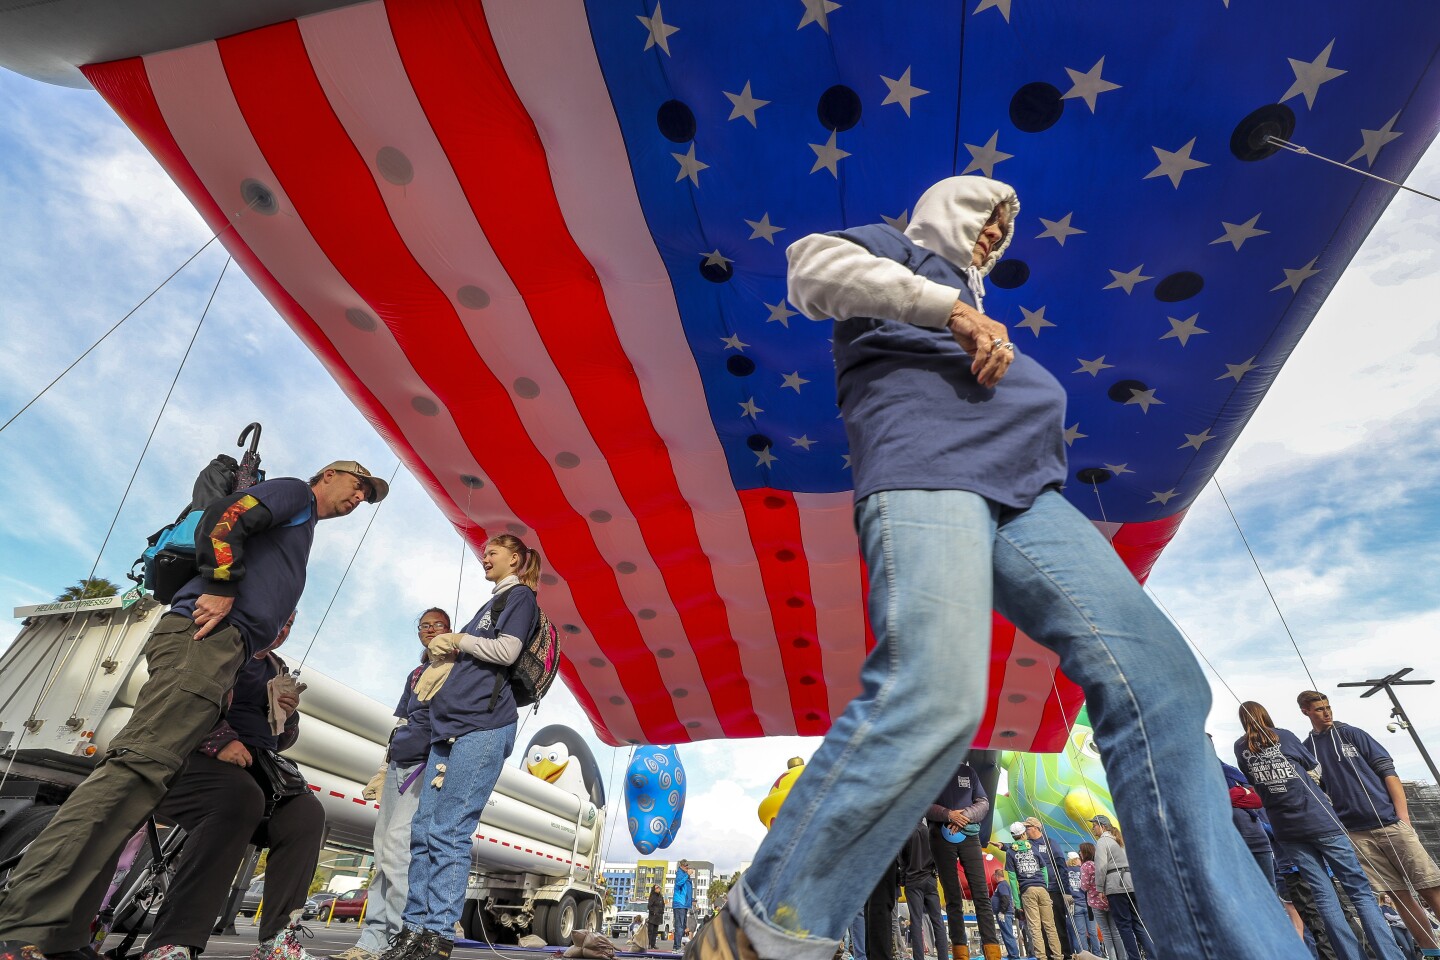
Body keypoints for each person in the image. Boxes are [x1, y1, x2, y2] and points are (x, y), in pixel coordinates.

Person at [685, 175, 1301, 960]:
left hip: (1028, 497)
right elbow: (810, 270)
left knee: (1164, 682)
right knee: (936, 695)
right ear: (945, 210)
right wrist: (953, 310)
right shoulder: (896, 255)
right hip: (927, 467)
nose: (987, 240)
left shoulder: (978, 308)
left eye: (998, 233)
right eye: (982, 220)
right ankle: (762, 930)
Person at [0, 461, 386, 960]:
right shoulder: (294, 494)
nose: (358, 500)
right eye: (357, 486)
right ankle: (28, 927)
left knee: (140, 785)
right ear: (328, 475)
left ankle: (61, 935)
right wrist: (222, 584)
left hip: (224, 648)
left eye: (366, 497)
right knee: (135, 773)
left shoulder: (301, 527)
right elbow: (227, 517)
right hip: (206, 636)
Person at [380, 534, 541, 960]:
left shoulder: (520, 597)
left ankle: (437, 935)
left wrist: (457, 639)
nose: (484, 557)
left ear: (516, 559)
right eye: (484, 551)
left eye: (493, 552)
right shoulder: (484, 607)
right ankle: (413, 926)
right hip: (446, 730)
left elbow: (507, 652)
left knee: (449, 830)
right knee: (422, 832)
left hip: (484, 726)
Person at [137, 611, 323, 960]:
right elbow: (181, 693)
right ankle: (171, 943)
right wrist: (217, 740)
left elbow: (279, 741)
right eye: (278, 619)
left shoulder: (277, 668)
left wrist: (289, 716)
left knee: (307, 813)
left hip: (257, 764)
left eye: (289, 625)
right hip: (191, 754)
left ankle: (278, 941)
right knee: (238, 798)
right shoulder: (223, 644)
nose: (281, 630)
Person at [1233, 701, 1404, 960]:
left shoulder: (1240, 746)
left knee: (1323, 895)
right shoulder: (1285, 736)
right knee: (1358, 891)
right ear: (1266, 715)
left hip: (1287, 830)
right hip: (1319, 820)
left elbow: (1253, 781)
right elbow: (1314, 767)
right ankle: (1390, 956)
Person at [333, 608, 451, 960]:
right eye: (424, 626)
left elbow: (461, 719)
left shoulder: (457, 671)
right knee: (381, 850)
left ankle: (403, 936)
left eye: (438, 625)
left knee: (399, 848)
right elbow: (401, 721)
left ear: (450, 630)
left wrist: (446, 763)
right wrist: (383, 768)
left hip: (426, 764)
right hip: (399, 761)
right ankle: (372, 940)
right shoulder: (416, 674)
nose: (430, 630)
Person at [1299, 690, 1440, 959]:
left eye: (1328, 707)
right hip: (1356, 833)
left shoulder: (1352, 733)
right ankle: (1433, 951)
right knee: (1399, 897)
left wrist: (1404, 818)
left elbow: (1388, 772)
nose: (1327, 712)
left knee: (1430, 887)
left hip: (1391, 824)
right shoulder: (1309, 749)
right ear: (1306, 711)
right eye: (1319, 709)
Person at [926, 761, 999, 959]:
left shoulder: (968, 772)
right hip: (940, 837)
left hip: (969, 836)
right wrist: (948, 815)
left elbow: (983, 802)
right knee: (952, 897)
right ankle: (960, 952)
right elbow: (922, 803)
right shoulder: (930, 769)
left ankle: (992, 951)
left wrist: (965, 816)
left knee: (981, 894)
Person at [1022, 818, 1074, 959]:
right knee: (1041, 928)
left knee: (1058, 925)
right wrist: (1002, 845)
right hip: (1038, 889)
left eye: (1027, 827)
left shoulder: (1051, 843)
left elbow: (1062, 867)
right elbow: (1013, 848)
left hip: (1054, 890)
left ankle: (1066, 955)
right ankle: (1049, 956)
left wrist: (1066, 892)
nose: (1025, 830)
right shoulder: (1026, 845)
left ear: (1036, 828)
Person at [1006, 824, 1059, 960]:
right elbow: (1044, 870)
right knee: (1050, 926)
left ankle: (1041, 957)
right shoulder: (1033, 848)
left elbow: (1012, 880)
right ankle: (1058, 956)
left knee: (1035, 928)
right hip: (1042, 888)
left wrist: (1017, 905)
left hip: (1027, 890)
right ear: (1024, 834)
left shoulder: (1011, 852)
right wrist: (1044, 887)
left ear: (1012, 836)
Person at [899, 821, 948, 960]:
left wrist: (902, 880)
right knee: (937, 921)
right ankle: (943, 957)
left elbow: (902, 860)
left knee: (916, 921)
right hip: (930, 879)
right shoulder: (930, 832)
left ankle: (919, 957)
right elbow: (939, 855)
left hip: (913, 881)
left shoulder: (906, 833)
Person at [1078, 843, 1121, 960]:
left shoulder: (1085, 866)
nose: (1079, 853)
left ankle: (1112, 958)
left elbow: (1084, 886)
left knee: (1106, 933)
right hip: (1108, 899)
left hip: (1096, 902)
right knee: (1115, 931)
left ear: (1084, 852)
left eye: (1080, 851)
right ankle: (1123, 957)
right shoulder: (1100, 863)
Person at [991, 871, 1021, 960]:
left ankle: (1014, 955)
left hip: (1005, 914)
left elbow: (1005, 898)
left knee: (1008, 934)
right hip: (1005, 913)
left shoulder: (1002, 885)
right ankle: (1012, 954)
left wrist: (1002, 912)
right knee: (1006, 934)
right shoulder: (1002, 885)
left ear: (997, 876)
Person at [675, 860, 695, 947]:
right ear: (682, 866)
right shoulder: (680, 873)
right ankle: (676, 947)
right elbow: (678, 883)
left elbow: (688, 890)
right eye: (686, 866)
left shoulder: (685, 875)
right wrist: (687, 875)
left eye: (688, 866)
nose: (688, 867)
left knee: (682, 927)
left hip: (684, 904)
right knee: (679, 926)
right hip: (680, 903)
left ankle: (678, 945)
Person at [647, 886, 666, 952]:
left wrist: (662, 911)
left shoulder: (660, 896)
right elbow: (649, 906)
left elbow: (663, 904)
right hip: (652, 916)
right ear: (654, 889)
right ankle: (649, 944)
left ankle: (653, 944)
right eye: (657, 888)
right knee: (650, 931)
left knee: (655, 931)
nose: (659, 889)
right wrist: (653, 912)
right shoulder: (652, 896)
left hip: (658, 916)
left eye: (659, 888)